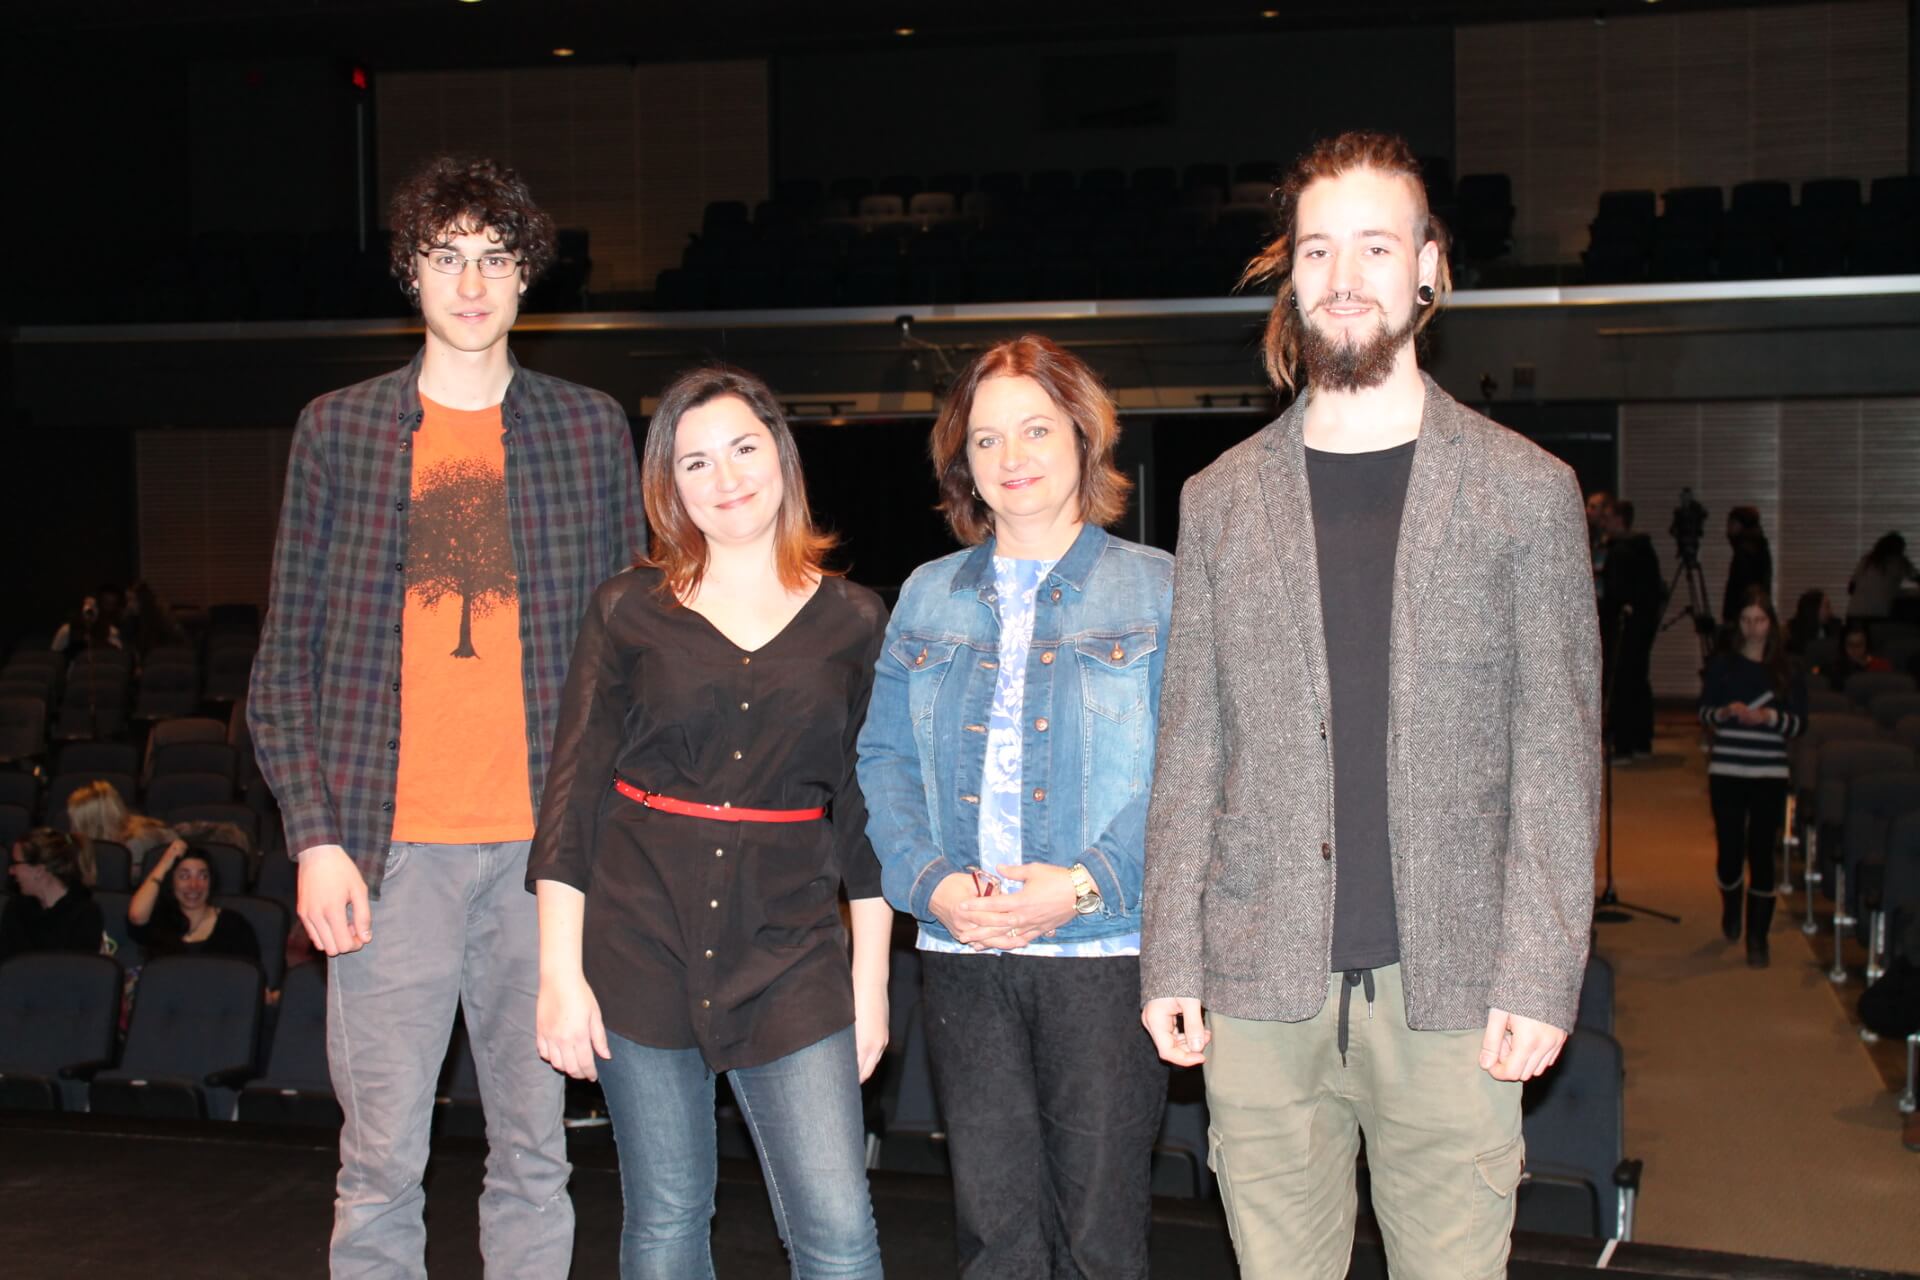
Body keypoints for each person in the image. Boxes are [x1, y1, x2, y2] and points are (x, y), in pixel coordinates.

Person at [1138, 130, 1601, 1278]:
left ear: (1430, 268)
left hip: (1454, 995)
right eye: (1318, 249)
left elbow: (1558, 757)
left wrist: (1541, 974)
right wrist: (1170, 956)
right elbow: (1192, 745)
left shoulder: (1526, 492)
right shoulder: (1218, 499)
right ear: (1291, 276)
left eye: (1377, 245)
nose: (1345, 275)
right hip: (1260, 991)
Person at [248, 155, 645, 1278]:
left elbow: (625, 661)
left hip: (542, 858)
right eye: (445, 256)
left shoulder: (586, 429)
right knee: (378, 1164)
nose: (471, 282)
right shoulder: (341, 431)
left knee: (535, 1155)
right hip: (388, 854)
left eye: (495, 257)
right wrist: (317, 837)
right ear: (410, 274)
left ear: (528, 279)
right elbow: (286, 665)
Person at [530, 365, 887, 1280]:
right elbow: (572, 800)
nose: (726, 479)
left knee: (841, 1234)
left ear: (781, 455)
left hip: (793, 955)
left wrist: (872, 989)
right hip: (638, 941)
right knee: (665, 1219)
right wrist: (559, 977)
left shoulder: (854, 619)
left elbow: (865, 821)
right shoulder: (625, 610)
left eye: (743, 448)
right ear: (668, 486)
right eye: (695, 463)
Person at [858, 335, 1174, 1280]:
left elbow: (1196, 774)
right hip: (962, 953)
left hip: (1103, 957)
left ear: (1084, 437)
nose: (1013, 457)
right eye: (987, 440)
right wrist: (932, 887)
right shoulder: (925, 595)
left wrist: (1080, 887)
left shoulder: (1159, 589)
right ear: (963, 463)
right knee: (993, 1237)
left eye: (1036, 429)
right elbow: (882, 761)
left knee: (1098, 1239)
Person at [1698, 588, 1805, 967]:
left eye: (1759, 620)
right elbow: (1705, 713)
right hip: (1727, 769)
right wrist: (1726, 712)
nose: (1752, 627)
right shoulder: (1723, 665)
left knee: (1762, 853)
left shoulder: (1786, 669)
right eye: (1746, 620)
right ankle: (1731, 906)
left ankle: (1758, 938)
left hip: (1769, 772)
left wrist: (1769, 718)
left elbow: (1798, 723)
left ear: (1771, 624)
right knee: (1729, 852)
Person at [65, 780, 251, 876]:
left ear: (92, 823)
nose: (72, 827)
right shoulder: (121, 834)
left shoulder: (135, 844)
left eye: (76, 821)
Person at [126, 838, 261, 965]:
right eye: (184, 876)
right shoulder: (160, 921)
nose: (194, 885)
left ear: (211, 882)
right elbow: (136, 915)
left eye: (202, 876)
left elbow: (250, 977)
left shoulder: (234, 925)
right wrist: (164, 864)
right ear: (171, 882)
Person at [1601, 499, 1664, 760]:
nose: (1603, 522)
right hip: (1641, 626)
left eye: (1607, 516)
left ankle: (1623, 744)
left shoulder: (1622, 552)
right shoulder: (1643, 549)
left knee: (1622, 682)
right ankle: (1640, 740)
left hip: (1625, 628)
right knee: (1638, 679)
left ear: (1619, 519)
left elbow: (1617, 593)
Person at [1, 829, 104, 962]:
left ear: (39, 870)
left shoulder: (85, 913)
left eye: (16, 864)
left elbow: (78, 970)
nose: (11, 871)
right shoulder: (15, 908)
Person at [1848, 532, 1918, 622]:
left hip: (1854, 613)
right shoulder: (1899, 562)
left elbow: (1851, 588)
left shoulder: (1867, 560)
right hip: (1878, 615)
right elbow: (1916, 577)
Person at [1722, 505, 1772, 626]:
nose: (1728, 528)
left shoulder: (1745, 552)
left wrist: (1732, 616)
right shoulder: (1758, 547)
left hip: (1744, 615)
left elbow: (1740, 586)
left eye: (1732, 523)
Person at [1826, 621, 1894, 692]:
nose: (1855, 649)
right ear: (1843, 646)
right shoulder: (1836, 668)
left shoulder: (1882, 666)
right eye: (1850, 644)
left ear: (1867, 644)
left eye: (1860, 644)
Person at [1785, 588, 1841, 670]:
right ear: (1814, 608)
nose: (1830, 611)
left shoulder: (1835, 626)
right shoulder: (1794, 629)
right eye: (1827, 606)